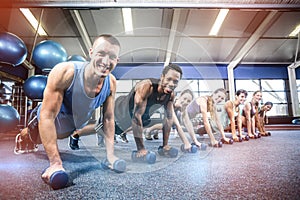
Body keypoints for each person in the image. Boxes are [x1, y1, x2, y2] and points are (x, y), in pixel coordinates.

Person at [14, 34, 126, 188]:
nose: (106, 61)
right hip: (45, 121)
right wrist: (55, 163)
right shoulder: (66, 72)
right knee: (34, 139)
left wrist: (111, 156)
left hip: (70, 127)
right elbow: (47, 116)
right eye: (101, 54)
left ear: (117, 61)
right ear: (91, 52)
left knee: (59, 135)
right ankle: (22, 137)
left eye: (112, 57)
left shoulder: (111, 83)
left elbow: (108, 119)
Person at [114, 63, 183, 160]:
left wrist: (165, 145)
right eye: (169, 79)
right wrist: (141, 149)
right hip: (119, 113)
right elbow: (136, 116)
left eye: (175, 82)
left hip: (141, 118)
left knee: (151, 120)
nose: (172, 84)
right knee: (99, 129)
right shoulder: (146, 87)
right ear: (162, 77)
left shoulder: (170, 95)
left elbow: (169, 118)